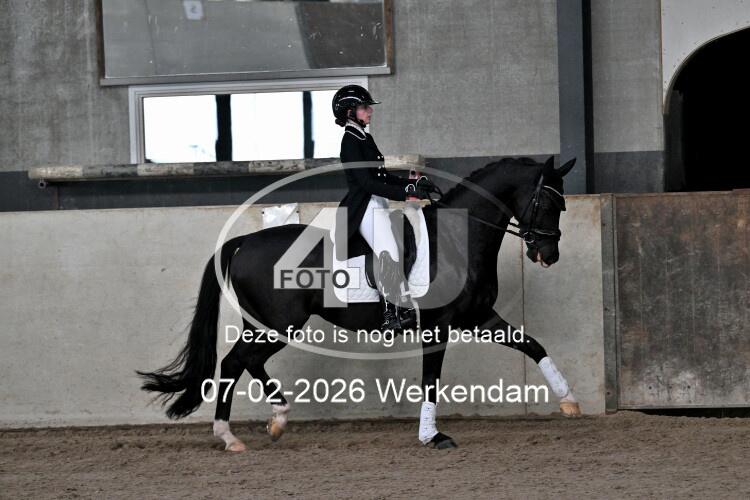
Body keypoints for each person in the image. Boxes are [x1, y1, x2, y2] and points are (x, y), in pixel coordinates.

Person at [332, 84, 438, 332]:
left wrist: (412, 184)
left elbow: (382, 176)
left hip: (377, 202)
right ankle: (392, 313)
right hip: (363, 206)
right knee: (388, 250)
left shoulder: (364, 137)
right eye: (364, 107)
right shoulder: (350, 141)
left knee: (401, 244)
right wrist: (405, 193)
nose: (370, 111)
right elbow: (367, 183)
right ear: (350, 112)